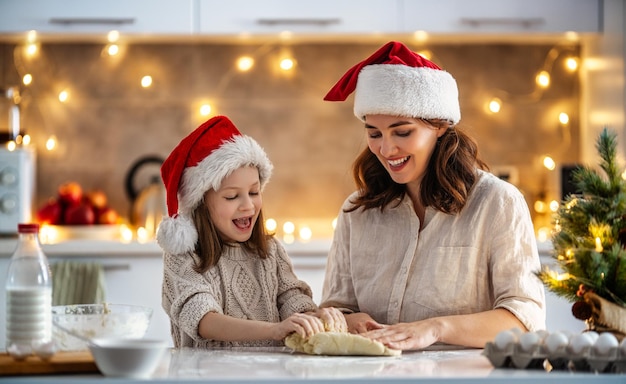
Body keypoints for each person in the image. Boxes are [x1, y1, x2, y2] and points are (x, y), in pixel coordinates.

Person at [319, 41, 546, 351]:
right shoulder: (356, 212)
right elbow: (335, 309)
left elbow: (524, 319)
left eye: (402, 132)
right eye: (374, 133)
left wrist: (437, 329)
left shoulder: (497, 203)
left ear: (439, 126)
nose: (386, 149)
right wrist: (348, 319)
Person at [156, 115, 346, 348]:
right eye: (232, 196)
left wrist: (312, 318)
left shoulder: (270, 251)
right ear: (201, 204)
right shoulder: (184, 257)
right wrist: (275, 330)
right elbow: (204, 320)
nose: (248, 205)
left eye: (254, 192)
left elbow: (291, 299)